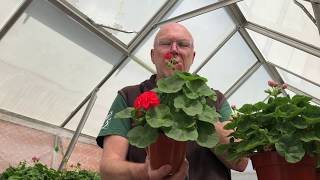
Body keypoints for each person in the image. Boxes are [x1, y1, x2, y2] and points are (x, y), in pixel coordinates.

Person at [96, 23, 248, 180]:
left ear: (192, 56)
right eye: (166, 43)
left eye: (182, 45)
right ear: (153, 55)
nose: (174, 49)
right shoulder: (129, 96)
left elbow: (241, 161)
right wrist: (144, 172)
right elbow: (108, 169)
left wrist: (200, 110)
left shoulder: (214, 99)